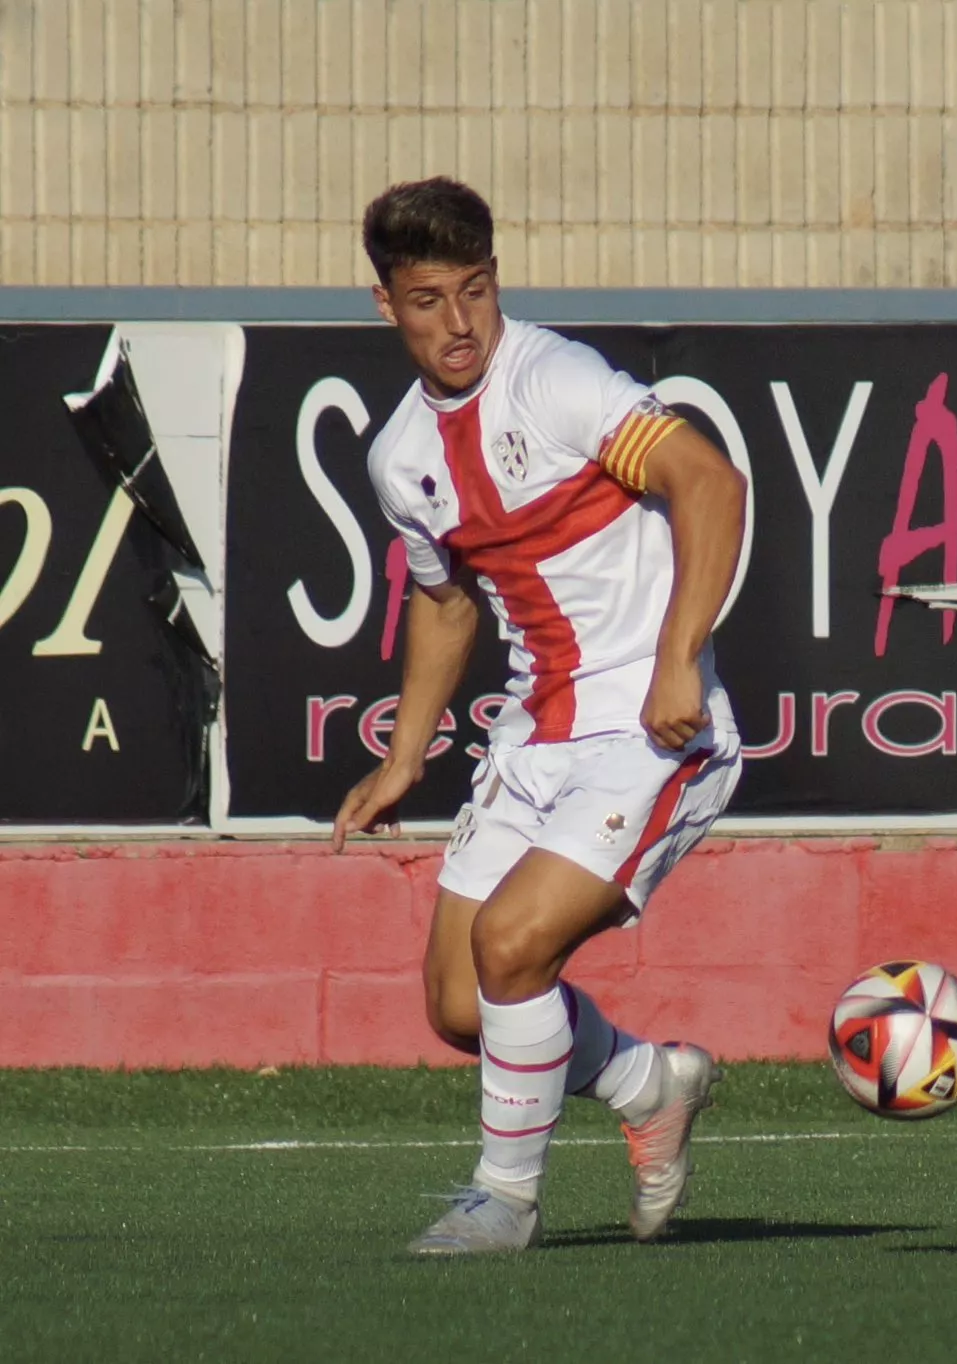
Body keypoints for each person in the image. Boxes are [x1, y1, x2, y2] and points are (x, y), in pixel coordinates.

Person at [330, 177, 748, 1255]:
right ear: (386, 305)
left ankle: (502, 1198)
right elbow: (443, 598)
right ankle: (648, 1080)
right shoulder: (399, 457)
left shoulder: (554, 379)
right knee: (463, 1004)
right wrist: (403, 754)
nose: (459, 322)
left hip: (654, 726)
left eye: (475, 291)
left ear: (495, 279)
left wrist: (676, 662)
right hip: (537, 731)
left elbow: (707, 481)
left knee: (515, 946)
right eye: (428, 299)